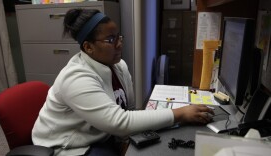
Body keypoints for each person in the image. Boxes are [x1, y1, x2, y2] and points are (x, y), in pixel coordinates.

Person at [32, 8, 214, 156]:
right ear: (88, 47)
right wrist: (180, 114)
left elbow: (130, 110)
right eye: (110, 40)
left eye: (118, 37)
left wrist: (126, 140)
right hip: (66, 146)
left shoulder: (119, 66)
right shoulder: (75, 78)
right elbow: (119, 122)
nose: (119, 44)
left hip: (99, 134)